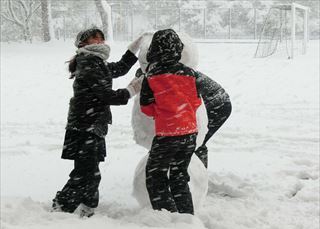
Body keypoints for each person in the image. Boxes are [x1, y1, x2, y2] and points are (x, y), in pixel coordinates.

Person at [52, 27, 143, 217]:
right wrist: (130, 91)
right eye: (95, 38)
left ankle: (87, 207)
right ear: (83, 43)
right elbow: (106, 95)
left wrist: (131, 51)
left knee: (89, 171)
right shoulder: (88, 62)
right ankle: (62, 207)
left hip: (91, 124)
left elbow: (118, 68)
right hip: (86, 125)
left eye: (101, 38)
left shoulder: (96, 62)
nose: (100, 41)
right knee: (87, 172)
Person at [139, 29, 231, 215]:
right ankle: (186, 215)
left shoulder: (151, 76)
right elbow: (197, 102)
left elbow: (146, 108)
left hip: (167, 135)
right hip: (189, 134)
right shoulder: (190, 74)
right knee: (179, 176)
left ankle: (168, 215)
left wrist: (163, 109)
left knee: (155, 175)